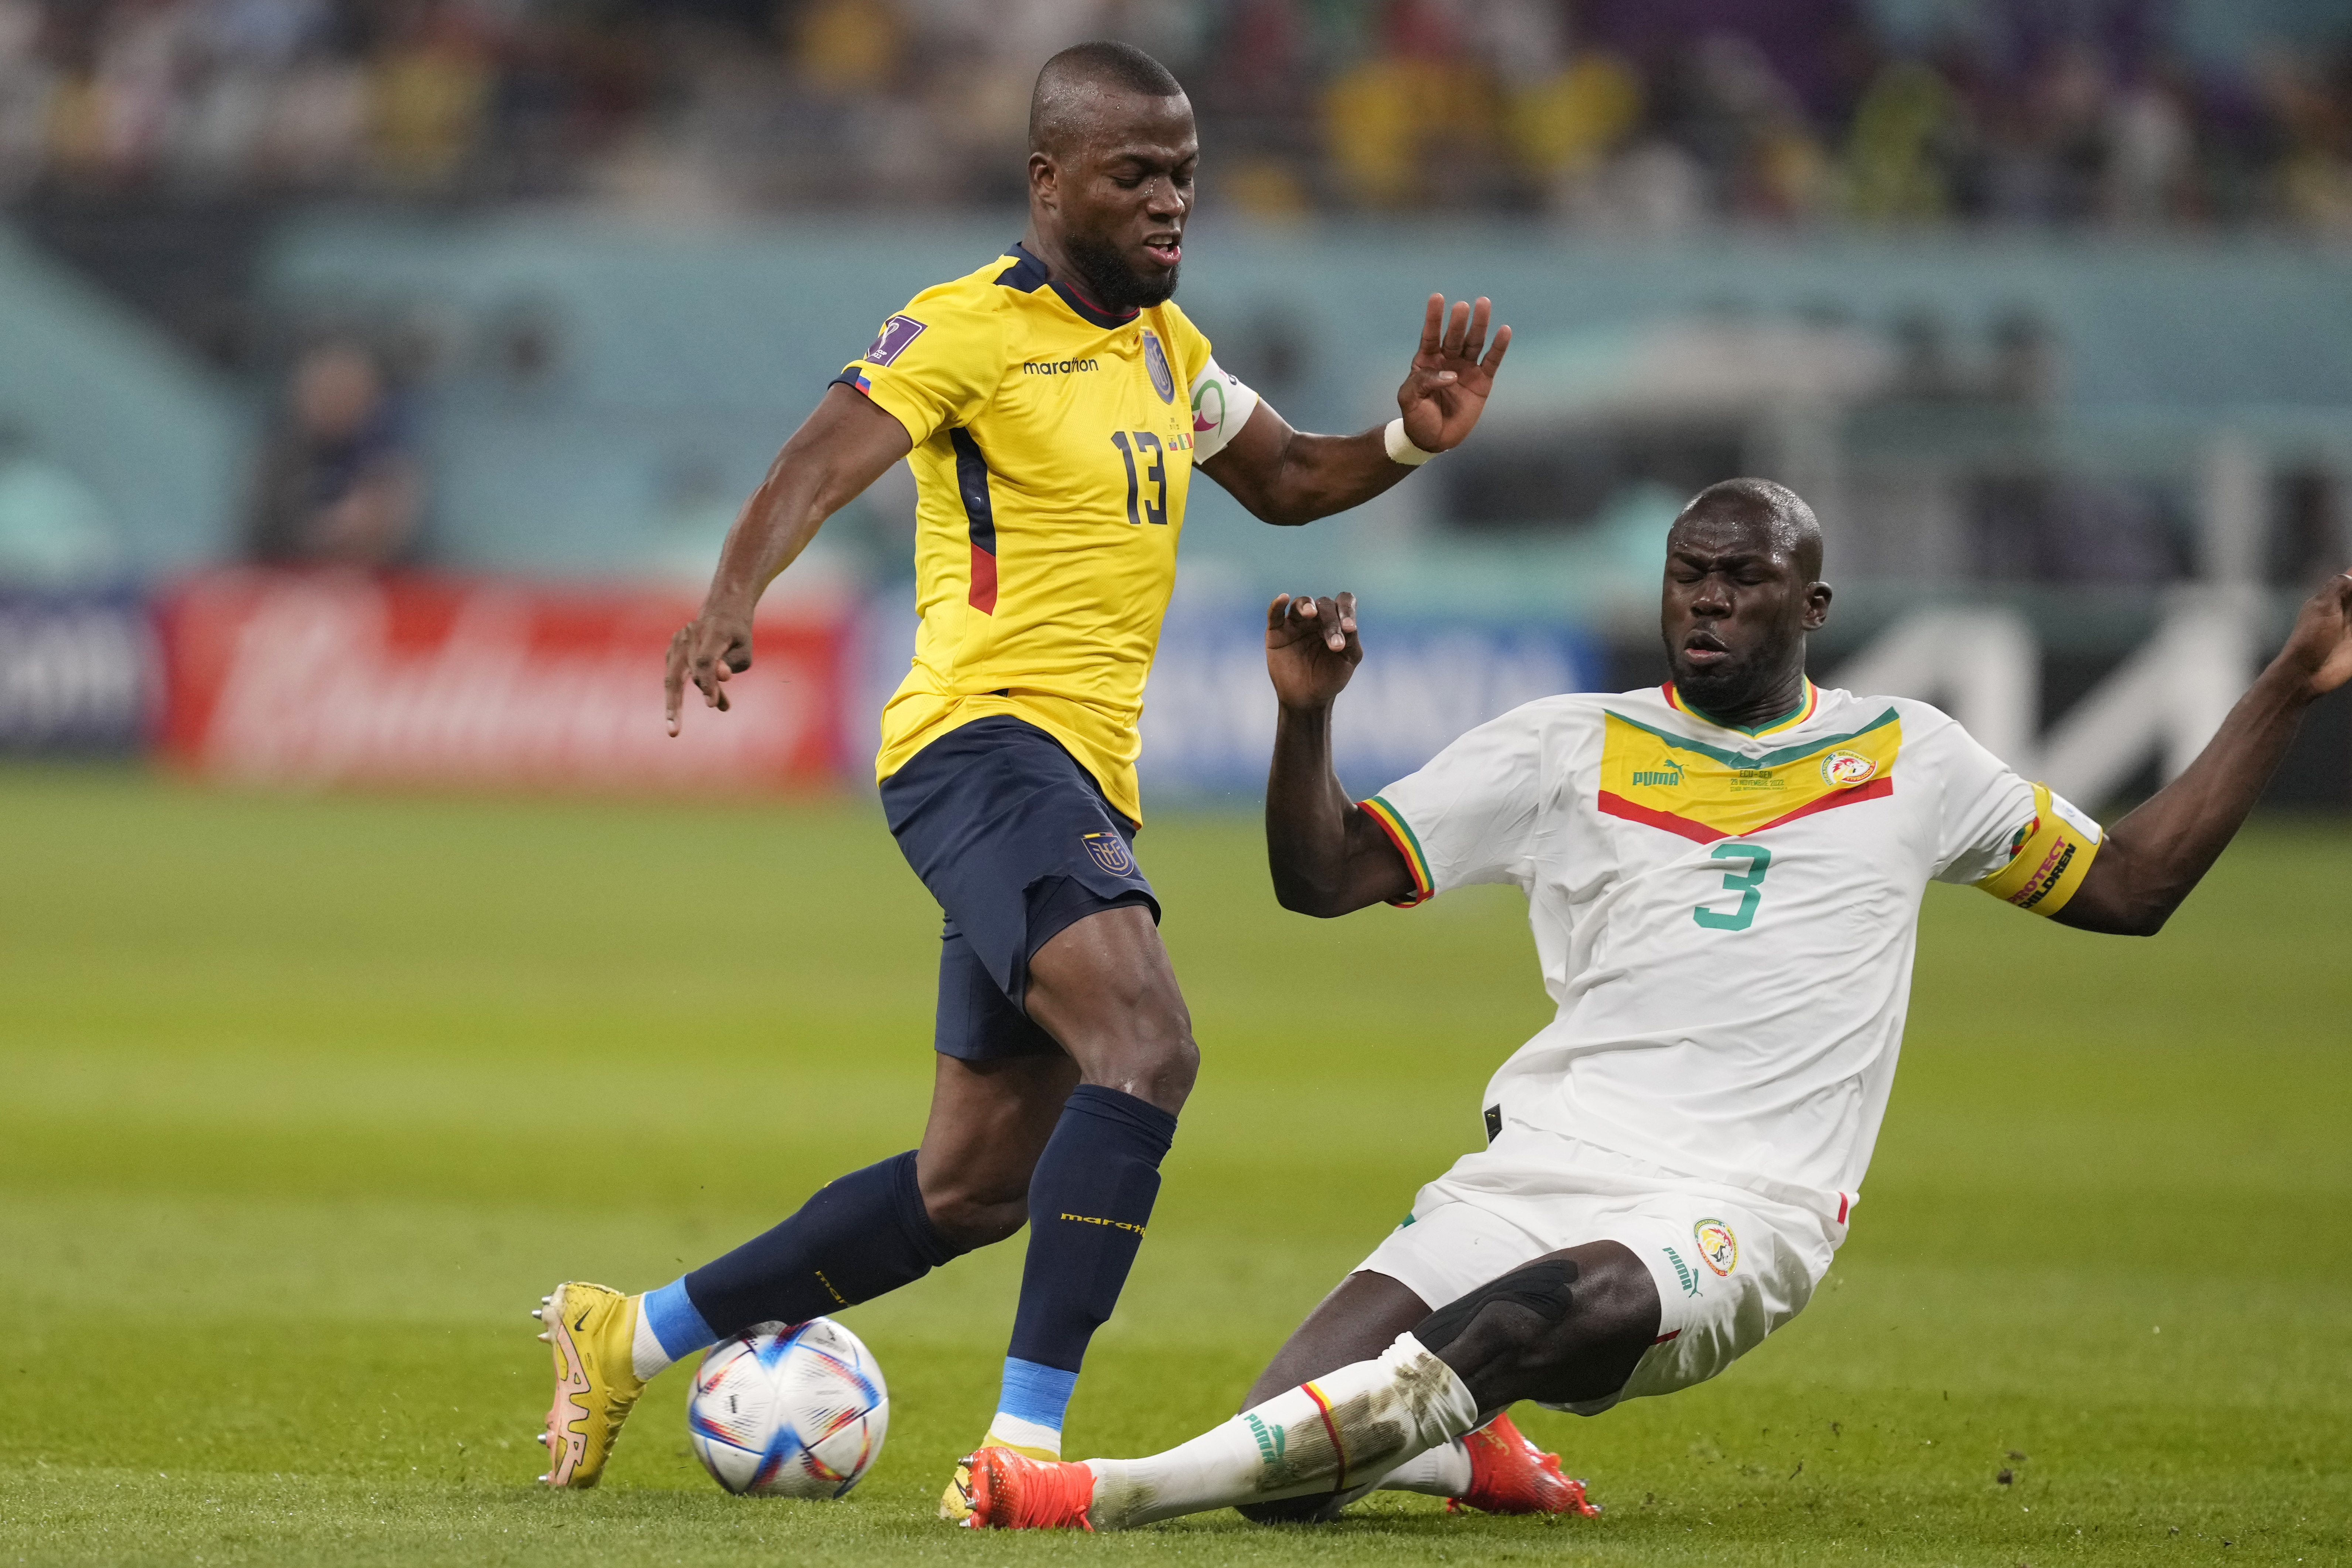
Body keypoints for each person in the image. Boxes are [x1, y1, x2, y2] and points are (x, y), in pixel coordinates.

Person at [950, 476, 2352, 1530]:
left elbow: (2132, 886)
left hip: (1738, 1207)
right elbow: (1319, 877)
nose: (1704, 601)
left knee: (1531, 1314)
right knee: (1284, 1461)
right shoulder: (1570, 747)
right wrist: (1305, 716)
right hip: (1537, 1167)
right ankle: (1462, 1447)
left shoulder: (1906, 760)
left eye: (1741, 582)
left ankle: (1096, 1495)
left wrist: (2287, 681)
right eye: (1688, 576)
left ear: (1807, 609)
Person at [529, 40, 1513, 1513]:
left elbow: (1292, 479)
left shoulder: (1168, 350)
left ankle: (636, 1329)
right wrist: (734, 592)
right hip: (981, 745)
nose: (1171, 200)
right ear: (1050, 179)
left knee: (974, 1183)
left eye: (1183, 171)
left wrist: (1398, 437)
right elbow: (819, 454)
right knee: (1150, 1041)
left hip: (1074, 781)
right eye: (1135, 174)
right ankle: (1024, 1450)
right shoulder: (969, 327)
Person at [247, 340, 421, 568]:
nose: (335, 400)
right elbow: (263, 534)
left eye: (346, 390)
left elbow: (403, 542)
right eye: (326, 390)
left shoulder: (388, 458)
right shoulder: (278, 459)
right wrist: (323, 531)